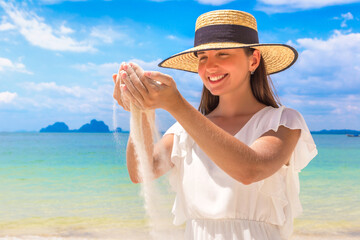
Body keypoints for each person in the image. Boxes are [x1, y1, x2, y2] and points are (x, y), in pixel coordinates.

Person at [113, 10, 317, 240]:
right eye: (203, 57)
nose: (210, 67)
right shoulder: (184, 131)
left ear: (254, 60)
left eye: (222, 54)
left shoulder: (283, 122)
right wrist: (140, 108)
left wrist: (176, 104)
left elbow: (251, 169)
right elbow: (141, 172)